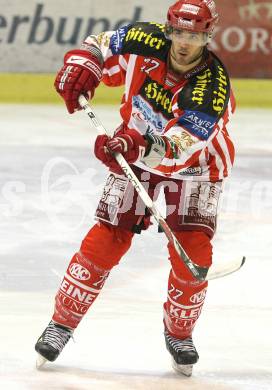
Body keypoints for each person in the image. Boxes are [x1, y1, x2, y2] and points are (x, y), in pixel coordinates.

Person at [35, 0, 236, 375]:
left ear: (208, 36)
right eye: (178, 32)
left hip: (196, 167)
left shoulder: (212, 88)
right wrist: (85, 63)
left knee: (193, 253)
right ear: (168, 28)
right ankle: (61, 323)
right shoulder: (143, 39)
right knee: (106, 237)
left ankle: (180, 333)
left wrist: (136, 145)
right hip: (136, 145)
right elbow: (101, 42)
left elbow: (180, 147)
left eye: (193, 36)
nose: (183, 42)